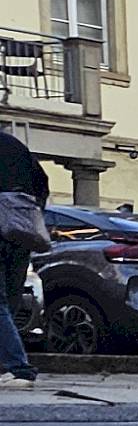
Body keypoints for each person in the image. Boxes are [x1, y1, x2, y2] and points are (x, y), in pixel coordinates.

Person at [0, 126, 47, 390]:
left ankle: (18, 368)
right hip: (21, 228)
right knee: (11, 298)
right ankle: (8, 365)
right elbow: (42, 182)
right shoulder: (16, 146)